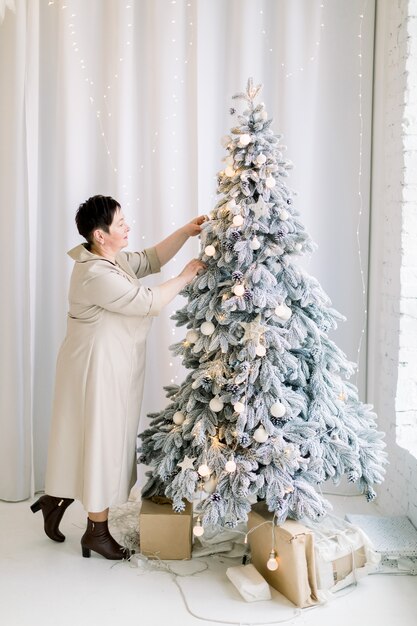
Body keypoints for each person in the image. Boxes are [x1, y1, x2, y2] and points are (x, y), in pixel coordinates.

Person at [31, 195, 206, 560]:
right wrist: (187, 275)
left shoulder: (110, 259)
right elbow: (148, 301)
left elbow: (151, 259)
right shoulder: (95, 273)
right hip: (92, 369)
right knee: (100, 442)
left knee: (96, 439)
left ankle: (57, 497)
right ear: (100, 234)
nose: (128, 226)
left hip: (107, 364)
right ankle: (96, 531)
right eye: (121, 222)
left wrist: (186, 231)